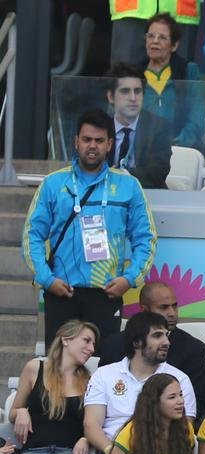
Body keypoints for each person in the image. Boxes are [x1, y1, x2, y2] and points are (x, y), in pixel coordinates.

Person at [22, 108, 156, 352]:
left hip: (106, 293)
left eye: (99, 140)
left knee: (106, 365)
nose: (92, 146)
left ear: (109, 144)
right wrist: (47, 279)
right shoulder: (53, 183)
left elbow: (145, 239)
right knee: (59, 366)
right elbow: (32, 235)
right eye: (86, 139)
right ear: (76, 142)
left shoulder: (128, 186)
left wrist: (129, 278)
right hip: (62, 291)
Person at [84, 312, 196, 454]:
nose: (167, 342)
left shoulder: (179, 379)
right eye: (157, 336)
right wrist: (111, 452)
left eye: (166, 335)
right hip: (107, 453)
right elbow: (91, 424)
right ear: (137, 342)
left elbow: (183, 430)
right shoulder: (104, 374)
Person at [97, 282, 205, 423]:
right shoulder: (114, 345)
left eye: (174, 306)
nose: (172, 313)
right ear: (145, 309)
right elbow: (98, 402)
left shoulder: (193, 349)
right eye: (163, 307)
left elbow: (197, 402)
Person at [11, 320, 96, 454]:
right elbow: (12, 412)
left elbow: (95, 423)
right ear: (66, 340)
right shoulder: (35, 368)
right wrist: (21, 412)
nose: (92, 348)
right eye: (86, 340)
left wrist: (86, 439)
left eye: (93, 344)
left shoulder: (90, 380)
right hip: (33, 450)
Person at [139, 12, 205, 151]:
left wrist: (177, 144)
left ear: (174, 46)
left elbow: (198, 119)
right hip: (141, 148)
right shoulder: (134, 73)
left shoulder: (188, 71)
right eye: (150, 36)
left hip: (179, 149)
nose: (155, 41)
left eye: (162, 37)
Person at [104, 63, 171, 190]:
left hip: (147, 196)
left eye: (138, 91)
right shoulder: (100, 127)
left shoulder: (159, 127)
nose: (133, 98)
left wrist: (121, 176)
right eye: (125, 91)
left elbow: (158, 173)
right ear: (111, 97)